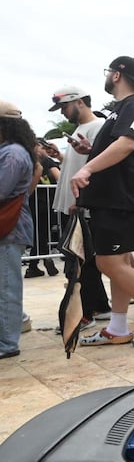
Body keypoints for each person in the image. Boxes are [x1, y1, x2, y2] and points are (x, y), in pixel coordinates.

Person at [73, 56, 134, 348]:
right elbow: (125, 147)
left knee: (107, 260)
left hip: (124, 197)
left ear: (117, 75)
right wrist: (90, 152)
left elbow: (128, 144)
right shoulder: (122, 110)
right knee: (121, 260)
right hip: (118, 196)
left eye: (108, 73)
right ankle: (118, 327)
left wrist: (87, 168)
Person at [47, 86, 111, 326]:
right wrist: (62, 158)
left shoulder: (97, 128)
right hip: (74, 205)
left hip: (81, 207)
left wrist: (81, 199)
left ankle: (86, 312)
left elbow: (99, 167)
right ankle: (100, 307)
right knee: (83, 260)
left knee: (78, 262)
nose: (63, 112)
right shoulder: (81, 129)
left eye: (64, 106)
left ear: (79, 102)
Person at [0, 101, 35, 359]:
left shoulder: (12, 153)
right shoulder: (12, 151)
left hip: (10, 227)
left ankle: (7, 343)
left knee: (7, 287)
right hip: (9, 226)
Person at [24, 139, 60, 278]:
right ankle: (42, 260)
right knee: (42, 234)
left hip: (34, 203)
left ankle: (36, 265)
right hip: (43, 204)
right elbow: (59, 177)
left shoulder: (29, 162)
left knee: (40, 234)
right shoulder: (45, 162)